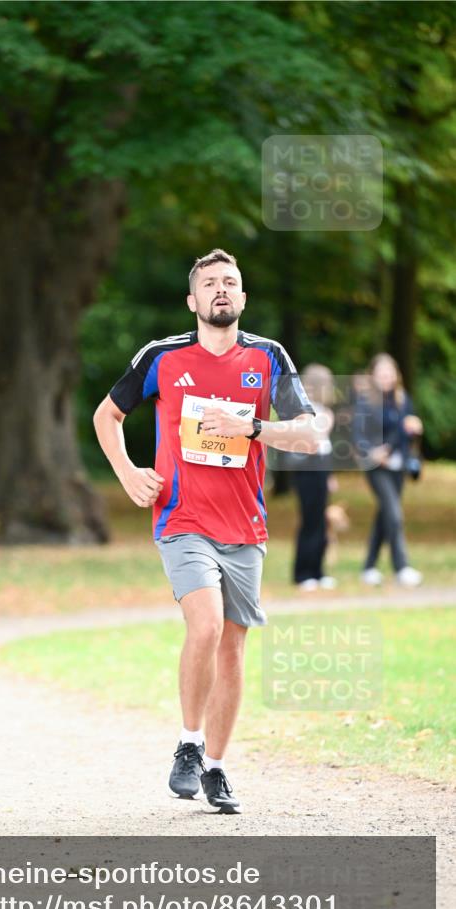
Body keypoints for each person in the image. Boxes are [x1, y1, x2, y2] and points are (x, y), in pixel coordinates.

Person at [93, 249, 319, 814]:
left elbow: (311, 435)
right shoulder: (163, 358)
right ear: (192, 301)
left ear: (242, 299)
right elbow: (106, 416)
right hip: (181, 519)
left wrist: (252, 426)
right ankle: (189, 745)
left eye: (231, 283)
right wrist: (126, 473)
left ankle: (216, 768)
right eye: (210, 284)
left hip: (244, 525)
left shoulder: (268, 357)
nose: (222, 290)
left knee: (234, 646)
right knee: (207, 623)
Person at [353, 353, 423, 587]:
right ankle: (402, 567)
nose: (386, 377)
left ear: (396, 375)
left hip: (397, 465)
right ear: (372, 375)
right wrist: (373, 452)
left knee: (385, 515)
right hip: (376, 467)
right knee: (393, 513)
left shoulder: (403, 399)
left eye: (389, 372)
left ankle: (369, 568)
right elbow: (357, 436)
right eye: (381, 372)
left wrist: (414, 427)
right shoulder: (365, 401)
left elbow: (405, 431)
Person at [290, 363, 338, 591]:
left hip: (321, 468)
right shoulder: (305, 411)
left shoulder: (322, 410)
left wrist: (329, 475)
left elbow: (325, 447)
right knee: (310, 521)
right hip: (308, 470)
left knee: (320, 521)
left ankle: (318, 571)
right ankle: (303, 573)